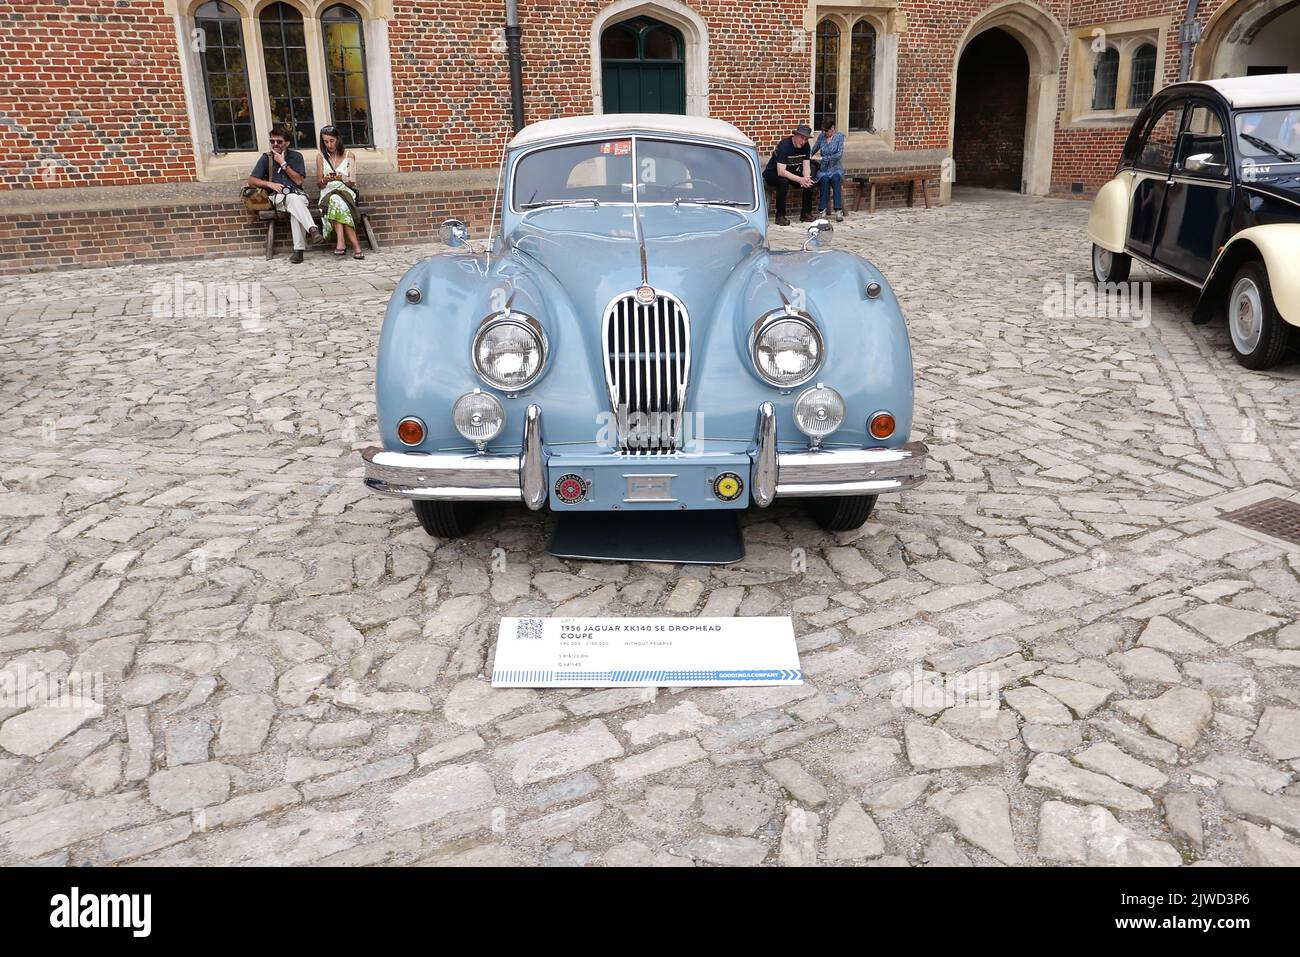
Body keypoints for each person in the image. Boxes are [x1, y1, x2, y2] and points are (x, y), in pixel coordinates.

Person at [247, 125, 321, 263]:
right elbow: (251, 180)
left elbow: (299, 181)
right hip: (278, 198)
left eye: (279, 141)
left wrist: (283, 164)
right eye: (272, 141)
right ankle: (311, 230)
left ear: (287, 143)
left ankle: (299, 252)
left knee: (295, 202)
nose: (275, 144)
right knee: (293, 200)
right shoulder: (266, 158)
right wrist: (270, 184)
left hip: (299, 195)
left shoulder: (296, 157)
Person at [316, 125, 364, 259]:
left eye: (331, 141)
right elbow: (319, 184)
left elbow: (352, 182)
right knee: (335, 200)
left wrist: (341, 177)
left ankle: (341, 242)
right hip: (328, 193)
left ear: (338, 139)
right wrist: (325, 179)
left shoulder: (349, 155)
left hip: (346, 192)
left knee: (337, 200)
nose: (329, 144)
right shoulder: (320, 157)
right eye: (325, 141)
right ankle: (356, 246)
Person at [763, 123, 815, 226]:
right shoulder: (784, 145)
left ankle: (805, 213)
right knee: (783, 182)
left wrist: (806, 178)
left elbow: (806, 166)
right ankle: (780, 216)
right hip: (773, 173)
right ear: (795, 135)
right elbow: (781, 171)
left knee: (809, 180)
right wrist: (800, 179)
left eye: (806, 139)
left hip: (790, 172)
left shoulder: (806, 147)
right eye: (802, 138)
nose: (803, 141)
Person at [811, 120, 845, 222]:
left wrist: (822, 159)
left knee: (836, 179)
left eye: (827, 131)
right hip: (824, 169)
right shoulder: (821, 137)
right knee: (824, 180)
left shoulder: (839, 137)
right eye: (824, 131)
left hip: (835, 168)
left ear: (833, 128)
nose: (825, 133)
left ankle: (838, 210)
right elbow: (814, 149)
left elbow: (838, 155)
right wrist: (809, 155)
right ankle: (823, 210)